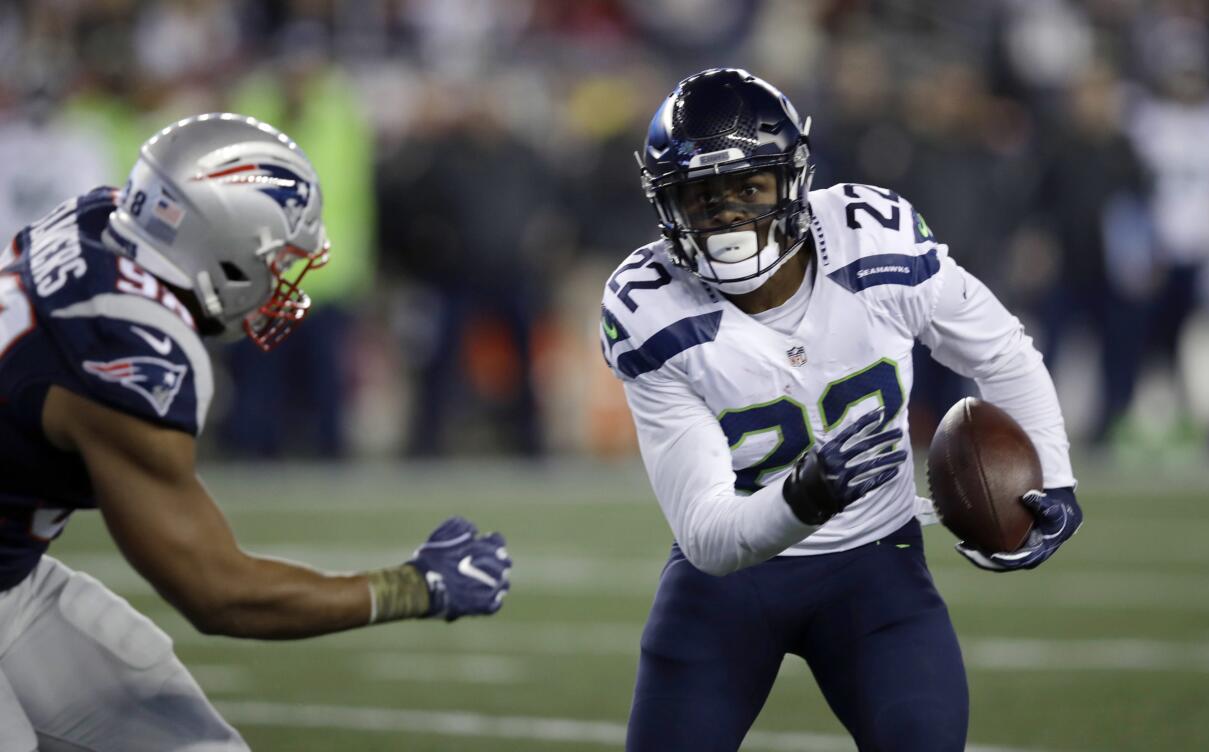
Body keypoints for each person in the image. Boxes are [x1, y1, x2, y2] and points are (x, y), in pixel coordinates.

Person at [601, 69, 1082, 751]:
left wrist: (1053, 475)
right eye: (703, 198)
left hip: (874, 568)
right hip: (729, 589)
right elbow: (708, 534)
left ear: (793, 180)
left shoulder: (872, 241)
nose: (730, 216)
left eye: (749, 187)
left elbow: (1000, 352)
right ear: (668, 206)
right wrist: (802, 499)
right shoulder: (650, 308)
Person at [0, 113, 512, 752]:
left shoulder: (100, 218)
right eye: (274, 261)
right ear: (224, 252)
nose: (280, 284)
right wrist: (415, 587)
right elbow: (218, 594)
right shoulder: (126, 356)